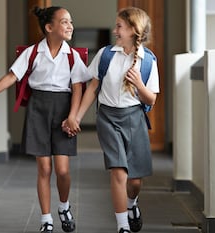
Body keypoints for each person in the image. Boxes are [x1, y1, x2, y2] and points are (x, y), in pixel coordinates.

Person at [0, 6, 90, 233]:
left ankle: (63, 207)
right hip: (38, 110)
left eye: (71, 21)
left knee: (62, 170)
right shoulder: (33, 53)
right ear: (49, 27)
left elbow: (78, 88)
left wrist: (73, 116)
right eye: (64, 22)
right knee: (44, 168)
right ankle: (46, 219)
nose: (70, 26)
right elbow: (11, 77)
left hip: (64, 110)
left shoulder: (72, 56)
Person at [63, 7, 159, 233]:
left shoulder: (148, 61)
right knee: (118, 171)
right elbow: (92, 88)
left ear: (133, 30)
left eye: (119, 26)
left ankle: (132, 205)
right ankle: (122, 226)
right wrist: (75, 117)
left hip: (135, 118)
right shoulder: (106, 54)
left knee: (134, 181)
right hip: (107, 118)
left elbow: (151, 100)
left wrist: (139, 84)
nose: (115, 30)